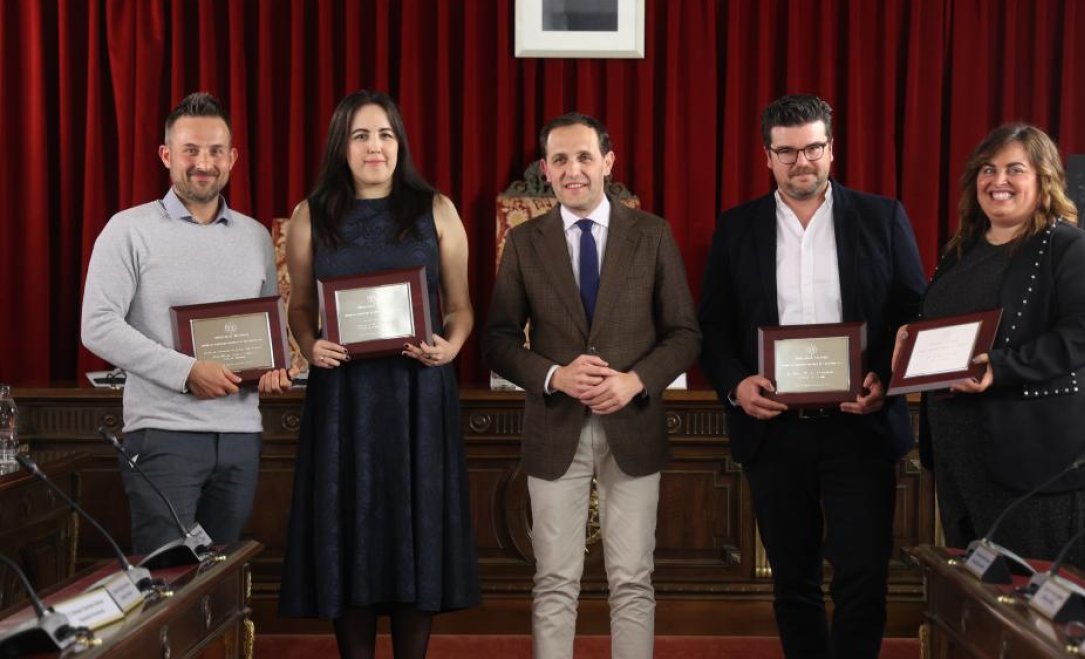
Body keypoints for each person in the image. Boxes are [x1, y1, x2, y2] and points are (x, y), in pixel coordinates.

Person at [698, 94, 926, 659]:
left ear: (831, 148)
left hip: (859, 424)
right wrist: (736, 386)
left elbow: (913, 312)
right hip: (774, 428)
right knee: (792, 578)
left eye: (813, 148)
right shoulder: (736, 228)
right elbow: (712, 326)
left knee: (863, 573)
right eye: (788, 151)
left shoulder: (882, 216)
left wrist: (884, 379)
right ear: (767, 157)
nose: (803, 161)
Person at [483, 113, 700, 659]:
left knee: (632, 580)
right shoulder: (525, 242)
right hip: (555, 430)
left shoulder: (651, 234)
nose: (572, 170)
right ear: (545, 170)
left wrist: (635, 381)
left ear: (608, 161)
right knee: (555, 580)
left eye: (584, 157)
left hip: (634, 426)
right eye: (560, 160)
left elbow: (685, 335)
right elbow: (499, 341)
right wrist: (554, 375)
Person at [278, 91, 479, 658]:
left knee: (416, 528)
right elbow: (298, 309)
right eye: (362, 135)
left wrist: (451, 346)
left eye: (385, 134)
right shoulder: (309, 214)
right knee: (349, 528)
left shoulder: (435, 208)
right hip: (343, 399)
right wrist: (310, 346)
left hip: (418, 395)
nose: (375, 147)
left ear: (400, 143)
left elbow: (461, 308)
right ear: (342, 145)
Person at [81, 92, 293, 555]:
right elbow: (97, 324)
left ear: (232, 158)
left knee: (220, 581)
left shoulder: (256, 237)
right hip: (162, 434)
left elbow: (265, 336)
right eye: (190, 150)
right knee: (167, 580)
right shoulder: (128, 230)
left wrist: (272, 373)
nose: (204, 162)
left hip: (240, 437)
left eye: (216, 151)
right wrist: (187, 372)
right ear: (166, 156)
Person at [911, 123, 1085, 568]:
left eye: (1014, 169)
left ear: (1044, 180)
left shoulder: (1067, 246)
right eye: (988, 169)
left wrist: (1004, 367)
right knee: (979, 600)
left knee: (1036, 602)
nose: (997, 180)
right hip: (960, 456)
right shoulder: (962, 250)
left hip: (1038, 460)